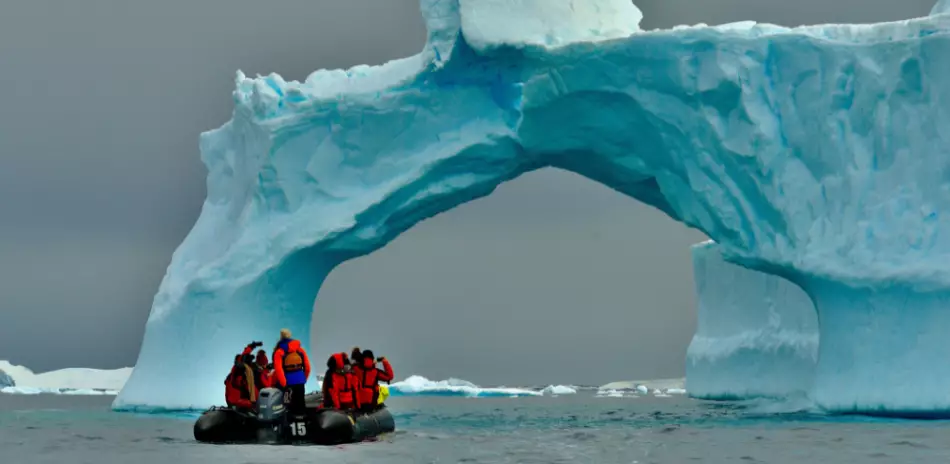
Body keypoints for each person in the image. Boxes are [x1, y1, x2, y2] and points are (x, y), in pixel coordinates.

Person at [272, 329, 311, 414]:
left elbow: (278, 370)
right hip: (300, 380)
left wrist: (284, 383)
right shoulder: (300, 350)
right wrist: (303, 379)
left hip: (287, 382)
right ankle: (301, 422)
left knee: (287, 406)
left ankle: (288, 425)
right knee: (300, 404)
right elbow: (307, 367)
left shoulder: (279, 351)